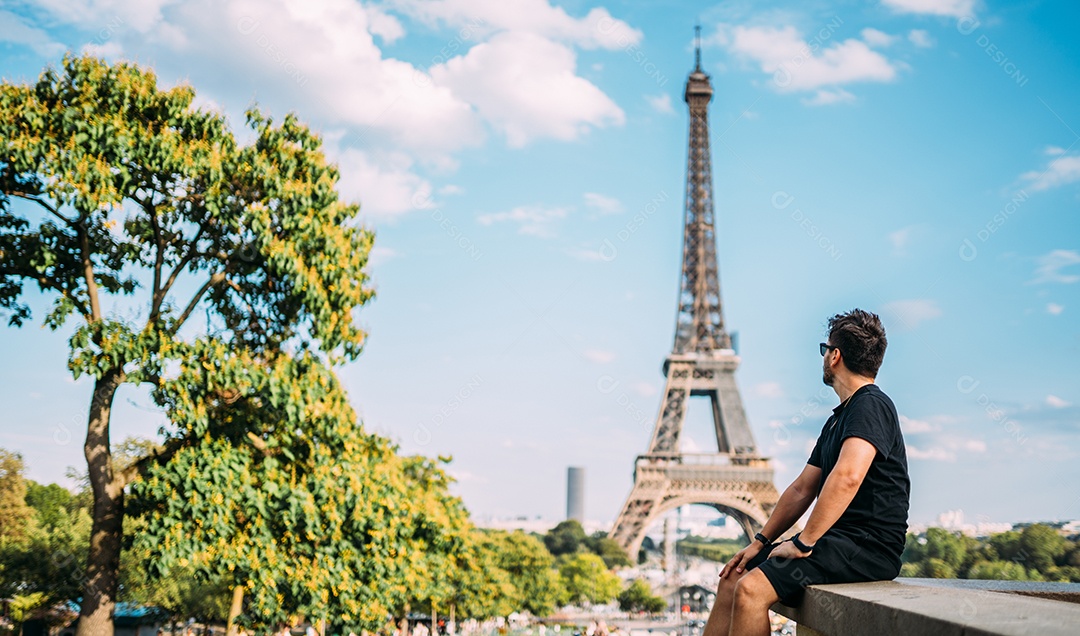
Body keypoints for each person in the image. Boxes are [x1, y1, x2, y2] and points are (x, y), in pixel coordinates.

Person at [702, 309, 910, 636]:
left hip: (866, 547)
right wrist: (760, 541)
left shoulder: (871, 405)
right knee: (733, 577)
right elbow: (802, 489)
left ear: (835, 356)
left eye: (824, 349)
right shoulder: (838, 419)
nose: (824, 356)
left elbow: (848, 476)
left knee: (750, 589)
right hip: (837, 543)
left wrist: (804, 541)